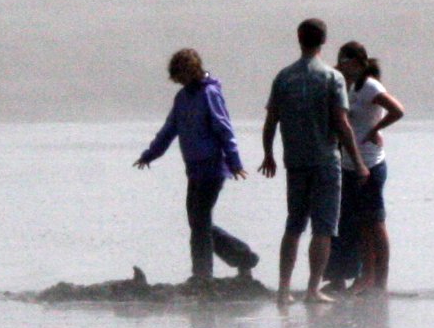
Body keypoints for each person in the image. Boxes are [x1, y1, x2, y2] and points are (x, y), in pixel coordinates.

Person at [258, 19, 369, 304]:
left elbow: (271, 120)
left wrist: (268, 154)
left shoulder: (284, 77)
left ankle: (283, 290)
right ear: (324, 41)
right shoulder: (333, 78)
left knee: (293, 225)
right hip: (324, 161)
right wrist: (358, 162)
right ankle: (311, 289)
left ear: (299, 39)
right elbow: (342, 124)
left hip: (294, 161)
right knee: (323, 228)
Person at [133, 48, 259, 282]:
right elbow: (170, 129)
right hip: (194, 168)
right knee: (197, 221)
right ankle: (242, 258)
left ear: (191, 70)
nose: (178, 81)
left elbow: (224, 128)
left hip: (212, 167)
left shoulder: (210, 93)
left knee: (200, 220)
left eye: (180, 75)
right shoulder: (182, 98)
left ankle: (202, 275)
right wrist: (150, 154)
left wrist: (234, 161)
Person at [328, 41, 405, 292]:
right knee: (361, 224)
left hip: (370, 164)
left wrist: (375, 129)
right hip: (349, 163)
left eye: (346, 61)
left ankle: (380, 281)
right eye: (340, 61)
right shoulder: (346, 86)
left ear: (359, 63)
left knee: (375, 223)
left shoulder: (370, 86)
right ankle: (365, 276)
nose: (342, 65)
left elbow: (397, 110)